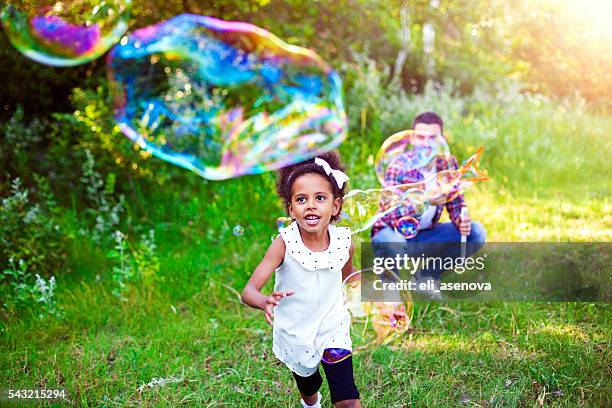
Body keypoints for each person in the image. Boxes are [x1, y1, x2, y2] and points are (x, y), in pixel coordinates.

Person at [241, 151, 361, 408]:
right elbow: (248, 290)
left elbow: (349, 277)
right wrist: (264, 301)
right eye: (301, 199)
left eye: (320, 198)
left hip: (333, 327)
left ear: (335, 206)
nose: (311, 205)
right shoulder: (284, 243)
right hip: (296, 332)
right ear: (291, 209)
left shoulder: (344, 242)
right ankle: (311, 403)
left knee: (347, 398)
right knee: (309, 384)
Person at [371, 112, 486, 299]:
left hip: (425, 236)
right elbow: (392, 215)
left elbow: (456, 202)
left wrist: (461, 219)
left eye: (432, 137)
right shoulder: (398, 166)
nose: (426, 143)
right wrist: (426, 200)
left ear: (442, 139)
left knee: (476, 232)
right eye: (421, 137)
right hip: (394, 235)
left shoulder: (447, 164)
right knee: (390, 240)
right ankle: (390, 287)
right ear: (413, 139)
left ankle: (425, 276)